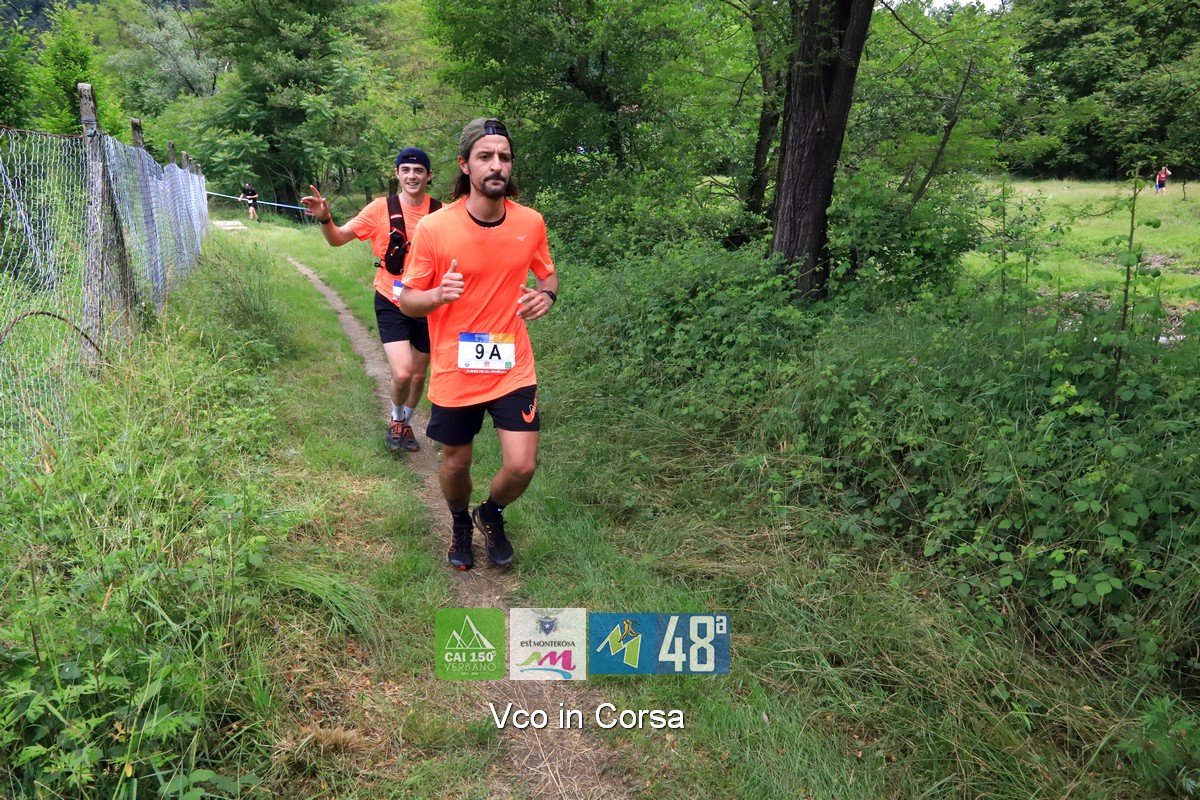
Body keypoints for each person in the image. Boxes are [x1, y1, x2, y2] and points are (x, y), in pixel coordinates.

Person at [400, 118, 558, 571]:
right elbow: (407, 299)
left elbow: (547, 274)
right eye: (485, 156)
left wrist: (546, 296)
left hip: (512, 364)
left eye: (504, 157)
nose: (496, 165)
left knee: (522, 466)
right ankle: (459, 522)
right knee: (456, 464)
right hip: (457, 367)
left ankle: (490, 513)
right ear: (465, 165)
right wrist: (436, 295)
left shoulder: (530, 222)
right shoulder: (435, 228)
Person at [299, 148, 442, 453]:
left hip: (427, 303)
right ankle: (395, 419)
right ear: (397, 174)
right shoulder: (379, 209)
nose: (412, 176)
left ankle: (406, 423)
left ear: (429, 175)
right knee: (402, 372)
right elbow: (338, 238)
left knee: (419, 374)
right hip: (391, 299)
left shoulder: (442, 213)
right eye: (406, 170)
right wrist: (325, 218)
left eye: (418, 170)